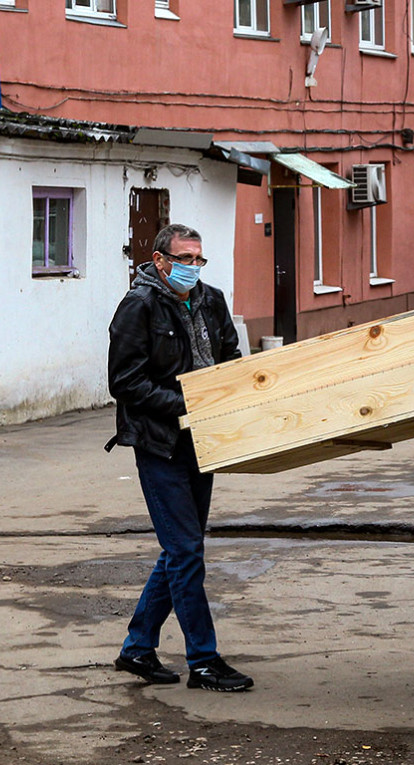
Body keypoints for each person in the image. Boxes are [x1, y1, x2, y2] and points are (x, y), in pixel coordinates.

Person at [106, 223, 252, 692]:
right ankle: (204, 660)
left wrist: (232, 397)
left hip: (202, 440)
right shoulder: (138, 305)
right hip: (159, 442)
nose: (193, 268)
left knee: (181, 550)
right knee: (185, 550)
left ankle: (137, 648)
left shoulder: (210, 299)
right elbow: (125, 383)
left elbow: (230, 355)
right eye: (184, 260)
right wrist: (186, 403)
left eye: (198, 260)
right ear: (161, 260)